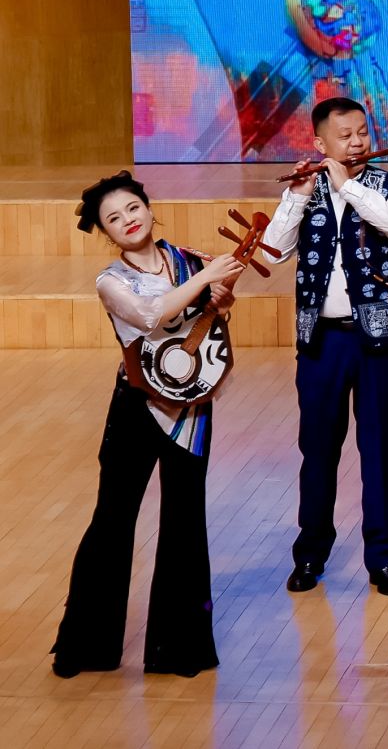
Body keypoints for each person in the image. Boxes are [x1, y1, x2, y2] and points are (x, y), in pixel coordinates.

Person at [51, 171, 244, 678]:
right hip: (135, 406)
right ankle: (86, 648)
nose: (128, 220)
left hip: (191, 404)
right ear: (106, 233)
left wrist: (221, 303)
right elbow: (151, 314)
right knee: (112, 519)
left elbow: (208, 322)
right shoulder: (112, 281)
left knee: (185, 520)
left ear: (149, 207)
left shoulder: (188, 259)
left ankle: (180, 650)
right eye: (114, 218)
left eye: (133, 208)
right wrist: (204, 279)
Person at [265, 96, 388, 597]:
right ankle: (310, 554)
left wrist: (348, 186)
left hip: (379, 341)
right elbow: (273, 251)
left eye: (361, 133)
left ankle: (384, 560)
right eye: (345, 136)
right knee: (318, 451)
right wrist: (296, 197)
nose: (356, 143)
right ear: (319, 143)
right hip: (321, 341)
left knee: (379, 450)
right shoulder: (304, 189)